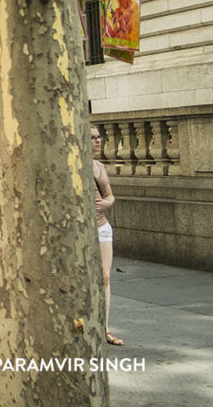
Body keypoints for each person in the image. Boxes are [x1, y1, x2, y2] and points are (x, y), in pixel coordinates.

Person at [93, 127, 124, 346]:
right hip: (79, 231)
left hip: (102, 226)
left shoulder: (99, 166)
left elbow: (110, 196)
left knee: (105, 276)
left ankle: (104, 328)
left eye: (98, 137)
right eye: (92, 138)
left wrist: (107, 203)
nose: (97, 141)